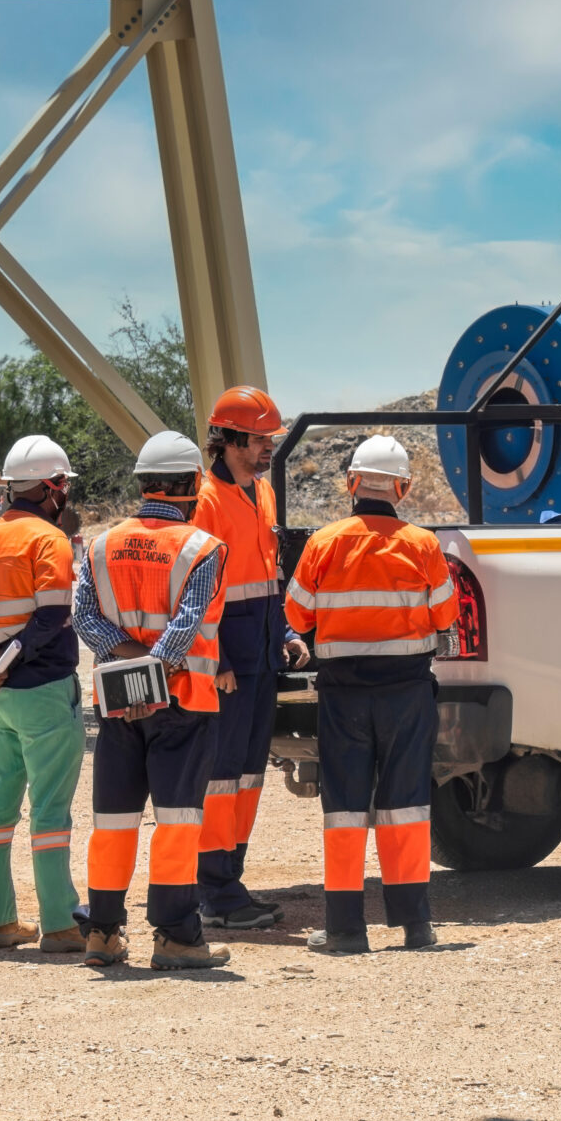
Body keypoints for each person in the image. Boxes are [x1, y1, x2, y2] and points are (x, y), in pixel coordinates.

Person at [282, 435, 457, 955]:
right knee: (407, 806)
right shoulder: (423, 544)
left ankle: (344, 931)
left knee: (345, 810)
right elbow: (445, 616)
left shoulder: (323, 543)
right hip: (407, 694)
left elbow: (296, 617)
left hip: (344, 695)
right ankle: (415, 926)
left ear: (352, 484)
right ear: (401, 488)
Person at [69, 430, 234, 971]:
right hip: (182, 705)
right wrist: (151, 680)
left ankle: (102, 934)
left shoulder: (99, 544)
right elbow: (185, 627)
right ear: (191, 484)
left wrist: (129, 673)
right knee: (178, 822)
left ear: (143, 484)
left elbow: (86, 619)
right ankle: (177, 937)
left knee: (113, 822)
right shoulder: (203, 549)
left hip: (116, 705)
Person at [0, 435, 86, 954]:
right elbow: (53, 616)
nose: (65, 496)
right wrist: (15, 656)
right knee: (50, 809)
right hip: (46, 691)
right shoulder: (49, 542)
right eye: (63, 487)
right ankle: (59, 924)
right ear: (51, 488)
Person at [192, 386, 311, 932]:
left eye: (269, 440)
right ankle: (212, 889)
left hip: (261, 653)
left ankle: (228, 881)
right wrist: (212, 656)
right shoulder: (206, 500)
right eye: (261, 440)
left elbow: (267, 575)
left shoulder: (261, 494)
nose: (268, 448)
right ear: (232, 439)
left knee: (246, 776)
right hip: (228, 663)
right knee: (221, 777)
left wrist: (285, 629)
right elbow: (197, 588)